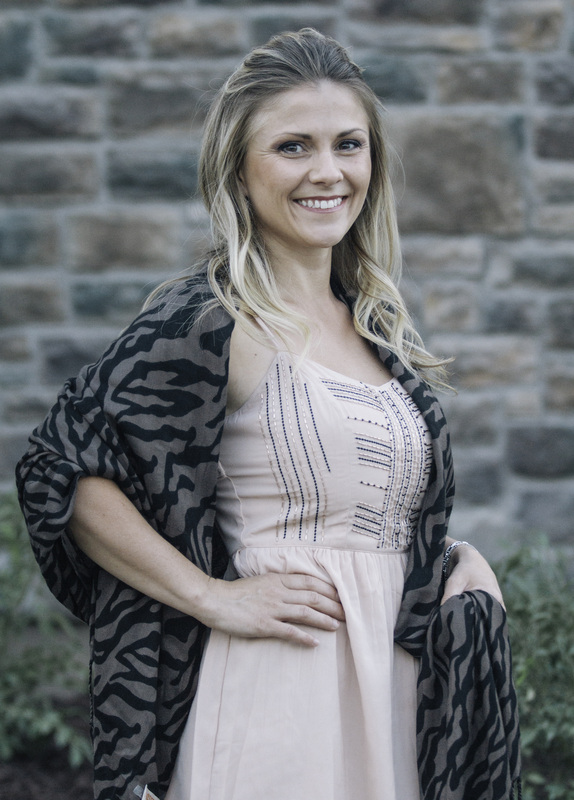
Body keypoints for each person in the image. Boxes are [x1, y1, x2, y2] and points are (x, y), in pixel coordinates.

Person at [16, 29, 514, 800]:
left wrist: (454, 560)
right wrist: (210, 595)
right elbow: (61, 467)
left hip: (392, 692)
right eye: (292, 147)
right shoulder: (215, 320)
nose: (328, 171)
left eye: (348, 144)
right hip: (278, 693)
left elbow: (364, 519)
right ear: (240, 173)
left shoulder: (374, 328)